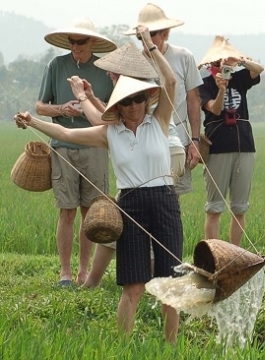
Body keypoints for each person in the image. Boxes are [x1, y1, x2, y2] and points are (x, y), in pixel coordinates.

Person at [16, 26, 182, 344]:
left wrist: (150, 46)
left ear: (145, 101)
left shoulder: (157, 122)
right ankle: (122, 346)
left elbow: (170, 81)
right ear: (117, 106)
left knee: (169, 285)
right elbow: (66, 134)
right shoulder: (110, 133)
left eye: (137, 99)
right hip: (130, 205)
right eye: (126, 101)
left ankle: (172, 346)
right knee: (132, 285)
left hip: (163, 200)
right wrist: (31, 120)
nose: (133, 106)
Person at [80, 43, 173, 288]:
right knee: (126, 224)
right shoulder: (125, 97)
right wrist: (89, 97)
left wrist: (84, 98)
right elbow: (111, 122)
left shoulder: (137, 91)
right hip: (135, 176)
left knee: (150, 229)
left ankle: (154, 279)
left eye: (113, 70)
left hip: (155, 160)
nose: (109, 74)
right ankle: (133, 279)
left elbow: (103, 121)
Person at [35, 17, 116, 286]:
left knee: (90, 211)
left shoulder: (106, 69)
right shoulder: (57, 65)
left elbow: (114, 109)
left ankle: (84, 271)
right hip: (63, 146)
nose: (76, 46)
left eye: (81, 41)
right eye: (72, 41)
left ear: (92, 42)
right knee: (66, 210)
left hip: (95, 145)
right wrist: (62, 109)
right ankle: (65, 273)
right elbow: (40, 107)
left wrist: (89, 101)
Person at [124, 3, 203, 195]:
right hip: (144, 141)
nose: (146, 40)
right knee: (143, 196)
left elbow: (193, 101)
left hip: (178, 140)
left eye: (152, 34)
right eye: (142, 36)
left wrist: (194, 140)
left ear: (165, 33)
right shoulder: (132, 62)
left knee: (172, 199)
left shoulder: (184, 56)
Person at [198, 36, 264, 246]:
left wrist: (240, 61)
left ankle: (236, 253)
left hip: (244, 145)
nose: (221, 66)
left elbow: (259, 70)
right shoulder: (204, 85)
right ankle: (214, 255)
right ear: (211, 64)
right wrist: (221, 90)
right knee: (215, 207)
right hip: (217, 147)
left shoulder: (241, 78)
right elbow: (215, 109)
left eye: (224, 62)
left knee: (239, 207)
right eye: (217, 63)